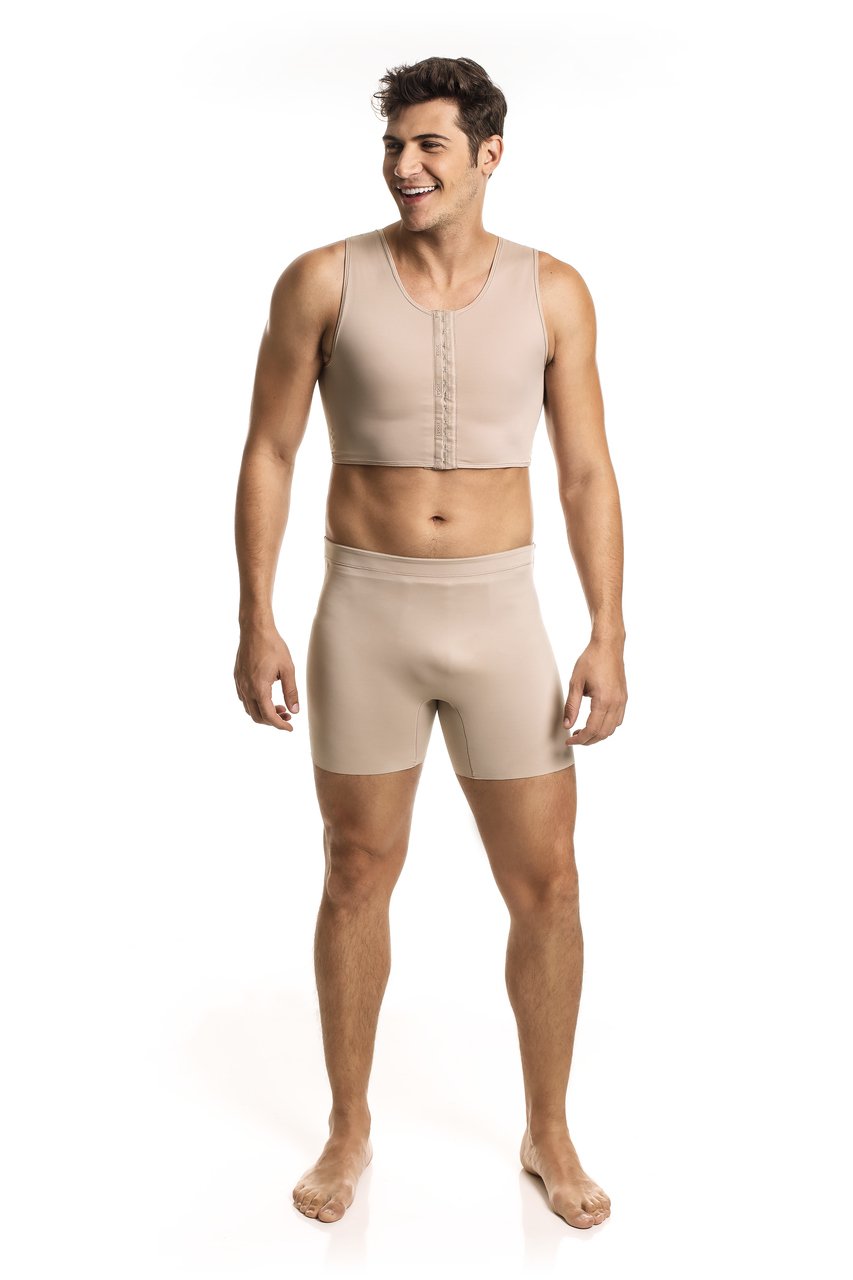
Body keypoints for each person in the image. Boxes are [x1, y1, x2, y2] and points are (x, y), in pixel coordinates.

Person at [233, 56, 627, 1229]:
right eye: (393, 146)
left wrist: (607, 630)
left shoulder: (555, 291)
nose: (404, 166)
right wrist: (255, 613)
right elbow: (269, 451)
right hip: (366, 611)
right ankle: (348, 1125)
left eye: (428, 146)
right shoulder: (321, 280)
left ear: (488, 155)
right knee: (356, 868)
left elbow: (587, 472)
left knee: (548, 880)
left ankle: (548, 1126)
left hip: (501, 615)